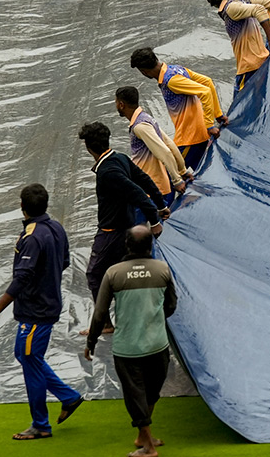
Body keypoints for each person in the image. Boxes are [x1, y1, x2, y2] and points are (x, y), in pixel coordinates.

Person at [0, 183, 83, 441]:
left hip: (36, 312)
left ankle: (41, 425)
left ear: (22, 206)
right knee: (26, 356)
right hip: (47, 304)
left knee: (30, 361)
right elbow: (65, 261)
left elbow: (22, 277)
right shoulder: (56, 227)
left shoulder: (33, 237)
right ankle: (69, 397)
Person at [85, 225, 176, 457]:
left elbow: (99, 313)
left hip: (128, 348)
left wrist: (92, 341)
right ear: (150, 246)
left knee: (135, 396)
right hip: (157, 344)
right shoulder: (163, 269)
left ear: (126, 245)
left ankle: (148, 447)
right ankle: (143, 436)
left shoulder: (113, 273)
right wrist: (153, 318)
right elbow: (172, 306)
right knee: (151, 393)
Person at [79, 121, 168, 335]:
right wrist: (161, 204)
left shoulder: (107, 172)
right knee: (128, 272)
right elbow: (145, 180)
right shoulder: (120, 158)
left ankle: (105, 323)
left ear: (89, 148)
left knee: (94, 274)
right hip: (127, 229)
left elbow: (136, 192)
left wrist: (154, 221)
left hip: (111, 233)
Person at [130, 48, 224, 172]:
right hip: (199, 136)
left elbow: (205, 92)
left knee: (170, 174)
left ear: (144, 71)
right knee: (205, 172)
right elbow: (208, 82)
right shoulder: (176, 69)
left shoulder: (170, 81)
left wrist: (210, 124)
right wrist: (218, 115)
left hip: (188, 139)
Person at [200, 0, 270, 95]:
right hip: (264, 60)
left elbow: (259, 10)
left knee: (239, 108)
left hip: (249, 68)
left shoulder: (231, 8)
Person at [115, 86, 187, 209]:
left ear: (121, 104)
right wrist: (182, 171)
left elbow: (165, 152)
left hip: (151, 189)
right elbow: (170, 144)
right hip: (158, 186)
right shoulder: (146, 118)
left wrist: (177, 180)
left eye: (116, 102)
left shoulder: (140, 127)